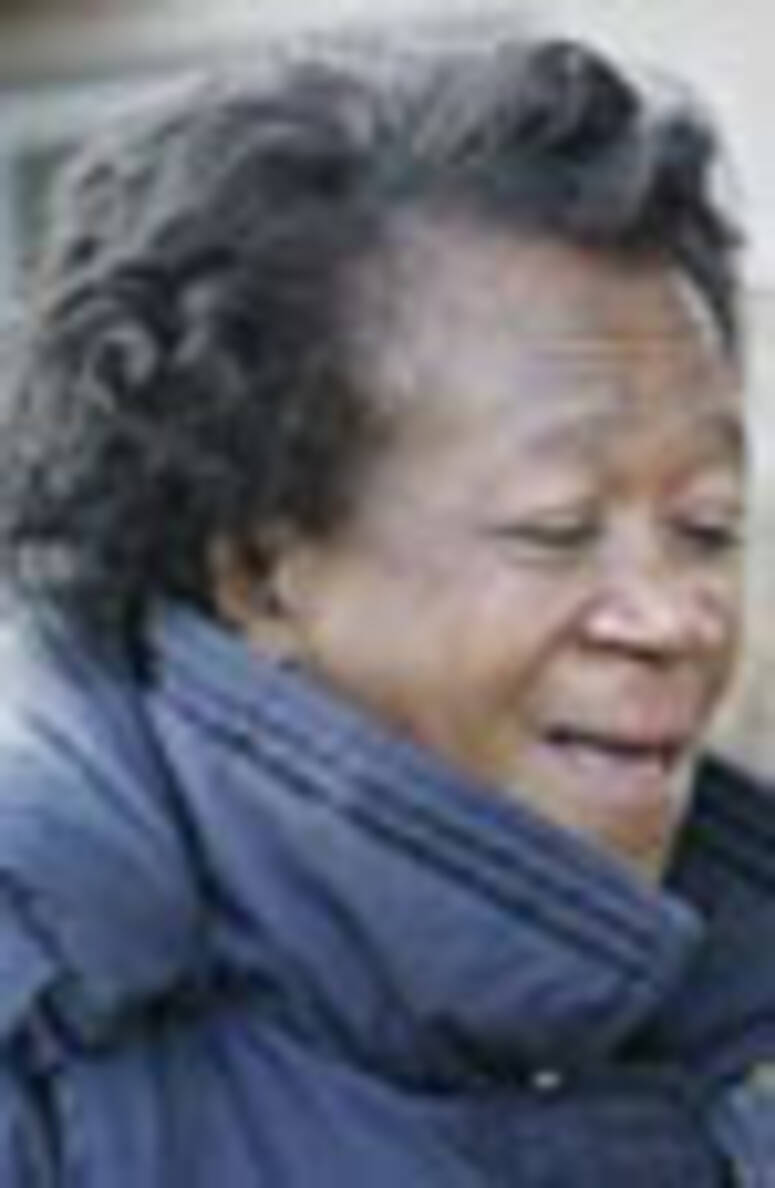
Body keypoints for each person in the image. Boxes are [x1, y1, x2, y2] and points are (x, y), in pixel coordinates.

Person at [0, 26, 770, 1187]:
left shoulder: (718, 1025)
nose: (676, 621)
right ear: (260, 572)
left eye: (706, 530)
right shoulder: (48, 1054)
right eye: (555, 531)